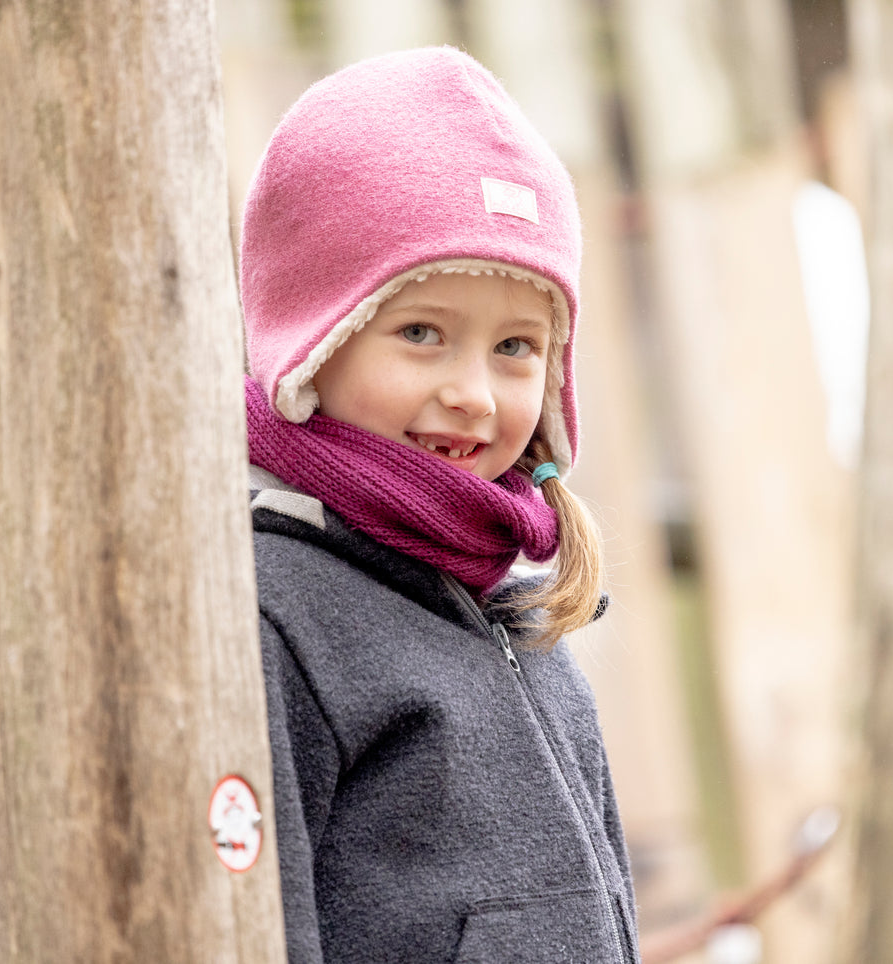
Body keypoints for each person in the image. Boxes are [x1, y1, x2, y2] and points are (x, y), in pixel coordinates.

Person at [240, 46, 640, 963]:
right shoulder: (274, 615)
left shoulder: (517, 609)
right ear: (313, 338)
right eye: (421, 333)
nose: (474, 392)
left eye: (515, 347)